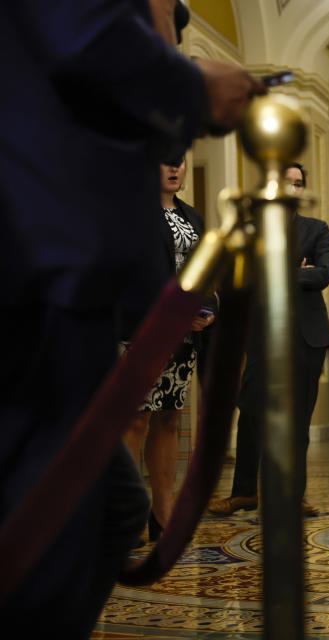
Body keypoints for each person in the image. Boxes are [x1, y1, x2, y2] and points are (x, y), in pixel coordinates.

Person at [0, 1, 264, 635]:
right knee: (84, 507)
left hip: (61, 280)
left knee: (103, 506)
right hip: (36, 269)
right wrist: (195, 85)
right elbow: (79, 37)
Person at [208, 162, 329, 517]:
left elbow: (323, 274)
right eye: (287, 183)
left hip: (307, 337)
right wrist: (298, 271)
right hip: (260, 335)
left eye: (299, 184)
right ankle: (244, 492)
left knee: (298, 421)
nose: (292, 189)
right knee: (250, 413)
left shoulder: (317, 229)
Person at [121, 157, 215, 544]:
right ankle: (127, 515)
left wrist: (207, 309)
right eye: (164, 163)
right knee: (136, 420)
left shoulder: (192, 216)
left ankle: (163, 514)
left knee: (170, 418)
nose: (174, 170)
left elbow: (208, 268)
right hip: (143, 330)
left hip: (183, 335)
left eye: (179, 163)